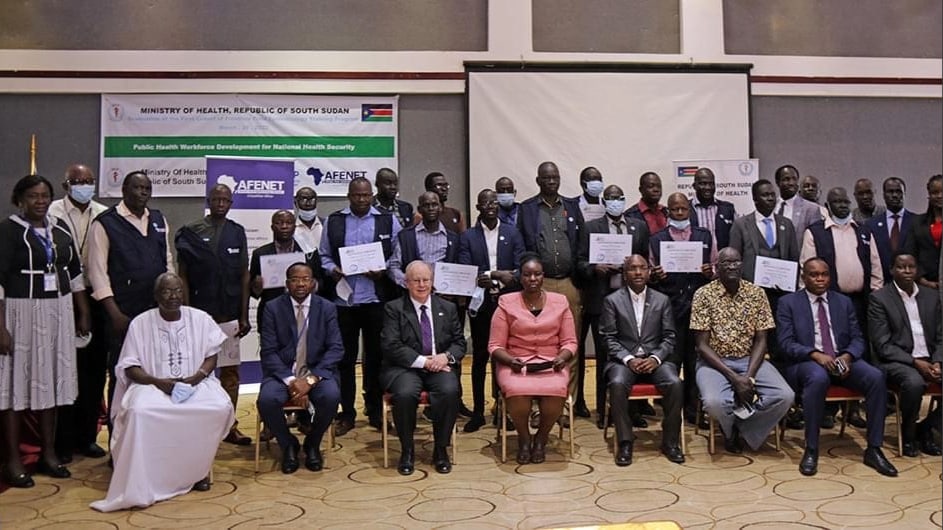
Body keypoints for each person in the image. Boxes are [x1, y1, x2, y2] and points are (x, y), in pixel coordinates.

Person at [90, 273, 233, 511]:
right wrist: (158, 382)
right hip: (151, 384)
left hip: (194, 382)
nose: (173, 296)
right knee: (139, 411)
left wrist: (197, 377)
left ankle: (197, 471)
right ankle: (148, 478)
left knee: (218, 406)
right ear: (156, 296)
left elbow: (211, 355)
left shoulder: (200, 318)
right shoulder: (140, 322)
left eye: (177, 290)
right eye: (166, 291)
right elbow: (131, 367)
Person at [0, 174, 90, 488]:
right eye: (33, 196)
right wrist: (1, 328)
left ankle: (48, 454)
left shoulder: (60, 230)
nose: (39, 202)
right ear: (20, 200)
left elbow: (76, 276)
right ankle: (12, 461)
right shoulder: (8, 231)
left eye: (44, 196)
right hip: (20, 312)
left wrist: (82, 312)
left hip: (58, 312)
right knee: (14, 387)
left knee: (51, 383)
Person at [776, 258, 896, 476]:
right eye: (814, 274)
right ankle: (811, 448)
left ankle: (874, 449)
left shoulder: (843, 302)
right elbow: (785, 344)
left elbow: (858, 338)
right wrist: (814, 354)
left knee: (875, 377)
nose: (820, 279)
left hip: (842, 360)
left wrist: (848, 356)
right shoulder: (788, 303)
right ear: (803, 277)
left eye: (824, 274)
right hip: (806, 364)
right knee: (817, 378)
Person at [87, 171, 174, 435]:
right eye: (137, 187)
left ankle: (150, 436)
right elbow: (97, 272)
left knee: (156, 370)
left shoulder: (158, 219)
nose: (143, 192)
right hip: (122, 313)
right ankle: (119, 438)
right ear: (124, 190)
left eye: (147, 188)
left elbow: (167, 261)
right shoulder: (105, 223)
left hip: (156, 311)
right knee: (123, 375)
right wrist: (114, 313)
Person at [690, 247, 794, 453]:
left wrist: (749, 377)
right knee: (713, 402)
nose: (731, 266)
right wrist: (735, 378)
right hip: (714, 362)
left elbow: (762, 340)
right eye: (726, 263)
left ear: (742, 265)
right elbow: (702, 345)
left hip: (750, 359)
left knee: (785, 396)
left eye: (735, 262)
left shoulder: (757, 293)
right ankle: (729, 431)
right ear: (716, 268)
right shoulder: (703, 294)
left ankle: (742, 427)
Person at [320, 177, 401, 435]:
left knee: (376, 358)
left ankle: (375, 410)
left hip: (376, 300)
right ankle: (347, 413)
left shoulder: (388, 220)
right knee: (344, 359)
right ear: (349, 195)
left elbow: (398, 255)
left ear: (372, 195)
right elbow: (322, 254)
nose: (362, 200)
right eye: (357, 196)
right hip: (344, 301)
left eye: (366, 196)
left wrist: (384, 269)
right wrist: (332, 269)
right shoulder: (333, 221)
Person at [799, 186, 882, 429]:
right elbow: (807, 266)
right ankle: (828, 409)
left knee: (856, 353)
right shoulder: (815, 232)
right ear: (828, 205)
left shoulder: (863, 230)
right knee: (827, 350)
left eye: (845, 201)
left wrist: (875, 297)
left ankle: (853, 409)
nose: (843, 205)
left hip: (859, 301)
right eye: (837, 201)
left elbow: (875, 265)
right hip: (827, 302)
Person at [175, 183, 251, 446]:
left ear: (231, 203)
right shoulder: (191, 231)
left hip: (229, 315)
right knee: (199, 374)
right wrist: (184, 311)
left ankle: (230, 426)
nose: (221, 203)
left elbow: (244, 275)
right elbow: (182, 275)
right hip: (199, 316)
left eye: (225, 200)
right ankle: (201, 426)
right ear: (209, 201)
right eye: (216, 199)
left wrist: (244, 315)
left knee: (231, 375)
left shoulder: (237, 232)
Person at [489, 254, 578, 464]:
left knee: (556, 390)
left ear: (543, 277)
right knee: (516, 391)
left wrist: (562, 357)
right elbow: (495, 346)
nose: (532, 278)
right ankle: (524, 437)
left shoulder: (560, 301)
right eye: (527, 274)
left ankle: (541, 438)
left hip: (551, 363)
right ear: (521, 278)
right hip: (516, 363)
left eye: (537, 274)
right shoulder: (506, 302)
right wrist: (510, 361)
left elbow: (570, 342)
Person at [380, 261, 465, 475]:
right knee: (406, 393)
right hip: (406, 368)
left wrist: (446, 357)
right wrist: (425, 362)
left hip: (440, 365)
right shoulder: (394, 309)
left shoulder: (448, 308)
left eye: (425, 280)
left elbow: (459, 343)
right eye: (416, 280)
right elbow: (391, 345)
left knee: (449, 390)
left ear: (432, 281)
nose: (421, 284)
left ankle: (441, 449)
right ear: (406, 283)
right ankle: (407, 450)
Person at [257, 263, 343, 474]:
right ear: (287, 284)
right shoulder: (273, 308)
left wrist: (311, 380)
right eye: (295, 279)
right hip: (283, 375)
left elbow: (336, 349)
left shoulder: (327, 308)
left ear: (313, 283)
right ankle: (288, 445)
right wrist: (292, 381)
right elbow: (268, 351)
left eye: (305, 279)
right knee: (267, 400)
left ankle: (312, 444)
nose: (301, 283)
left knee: (331, 396)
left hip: (316, 374)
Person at [48, 164, 109, 462]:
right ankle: (63, 442)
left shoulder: (103, 213)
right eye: (78, 181)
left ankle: (87, 437)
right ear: (66, 184)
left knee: (94, 372)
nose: (84, 185)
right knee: (63, 371)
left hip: (95, 298)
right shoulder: (51, 213)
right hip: (61, 300)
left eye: (89, 181)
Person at [516, 161, 585, 424]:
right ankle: (535, 404)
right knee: (538, 345)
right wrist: (533, 278)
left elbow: (579, 245)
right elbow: (524, 245)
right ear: (538, 181)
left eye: (555, 177)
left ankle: (566, 404)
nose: (551, 181)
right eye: (546, 178)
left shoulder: (571, 206)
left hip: (568, 283)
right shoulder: (527, 208)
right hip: (539, 286)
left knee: (571, 345)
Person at [576, 184, 649, 429]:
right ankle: (604, 410)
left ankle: (634, 411)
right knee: (604, 356)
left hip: (633, 301)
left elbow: (644, 261)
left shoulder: (638, 226)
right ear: (604, 201)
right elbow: (579, 262)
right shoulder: (591, 228)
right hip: (602, 300)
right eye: (610, 198)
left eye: (619, 197)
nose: (615, 201)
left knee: (636, 353)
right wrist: (593, 268)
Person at [601, 255, 683, 466]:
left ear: (649, 272)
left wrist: (656, 358)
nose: (638, 272)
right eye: (632, 268)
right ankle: (625, 441)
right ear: (624, 273)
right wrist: (628, 359)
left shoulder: (661, 300)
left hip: (656, 360)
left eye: (642, 268)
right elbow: (608, 338)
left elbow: (670, 336)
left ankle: (670, 442)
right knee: (617, 384)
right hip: (624, 361)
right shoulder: (612, 300)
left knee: (674, 383)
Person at [458, 189, 524, 432]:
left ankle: (502, 408)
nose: (490, 206)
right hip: (481, 304)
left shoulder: (512, 232)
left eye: (494, 202)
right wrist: (490, 275)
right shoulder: (468, 237)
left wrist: (496, 275)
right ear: (478, 206)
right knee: (480, 358)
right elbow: (465, 270)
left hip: (507, 304)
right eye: (485, 202)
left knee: (503, 357)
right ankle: (477, 412)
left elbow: (519, 269)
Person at [650, 192, 715, 426]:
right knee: (672, 358)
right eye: (674, 210)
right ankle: (671, 408)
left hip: (699, 306)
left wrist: (710, 271)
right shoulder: (657, 239)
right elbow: (650, 274)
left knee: (695, 359)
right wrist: (655, 275)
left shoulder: (704, 236)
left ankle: (693, 409)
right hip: (670, 306)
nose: (679, 213)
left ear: (690, 210)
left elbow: (715, 266)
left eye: (683, 209)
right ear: (668, 212)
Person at [869, 253, 942, 457]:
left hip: (930, 358)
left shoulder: (931, 296)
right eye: (901, 267)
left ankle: (926, 428)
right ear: (892, 270)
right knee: (914, 382)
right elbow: (883, 345)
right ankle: (909, 434)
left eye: (911, 267)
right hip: (897, 361)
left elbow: (940, 335)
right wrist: (915, 362)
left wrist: (937, 360)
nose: (907, 271)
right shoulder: (880, 299)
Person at [249, 210, 319, 332]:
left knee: (304, 350)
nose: (284, 226)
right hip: (271, 314)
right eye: (279, 223)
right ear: (272, 227)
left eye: (289, 223)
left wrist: (313, 285)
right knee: (270, 350)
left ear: (295, 226)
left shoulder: (309, 253)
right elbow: (253, 292)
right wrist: (256, 287)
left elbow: (320, 280)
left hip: (303, 311)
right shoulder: (260, 254)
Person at [388, 191, 460, 289]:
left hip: (442, 295)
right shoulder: (406, 236)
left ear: (440, 208)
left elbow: (458, 268)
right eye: (426, 205)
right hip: (412, 295)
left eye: (434, 205)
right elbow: (393, 266)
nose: (431, 209)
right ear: (419, 209)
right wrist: (409, 283)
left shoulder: (453, 238)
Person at [902, 174, 942, 290]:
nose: (939, 196)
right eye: (935, 192)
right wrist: (921, 279)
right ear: (929, 195)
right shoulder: (917, 222)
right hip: (925, 285)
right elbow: (910, 253)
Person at [869, 177, 913, 283]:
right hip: (882, 284)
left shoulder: (916, 221)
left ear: (904, 194)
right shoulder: (872, 225)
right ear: (883, 195)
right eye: (890, 192)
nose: (894, 195)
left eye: (898, 191)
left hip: (910, 283)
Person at [772, 165, 823, 247]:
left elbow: (817, 241)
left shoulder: (811, 209)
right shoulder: (771, 206)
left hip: (798, 258)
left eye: (794, 179)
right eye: (786, 179)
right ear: (778, 182)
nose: (791, 183)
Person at [689, 167, 737, 252]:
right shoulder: (685, 209)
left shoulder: (728, 209)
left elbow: (736, 238)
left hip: (722, 262)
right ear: (694, 186)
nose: (708, 187)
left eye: (711, 184)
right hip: (695, 261)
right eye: (703, 183)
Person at [293, 186, 323, 258]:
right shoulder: (291, 228)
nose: (308, 204)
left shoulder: (327, 225)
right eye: (303, 200)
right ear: (295, 202)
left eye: (312, 199)